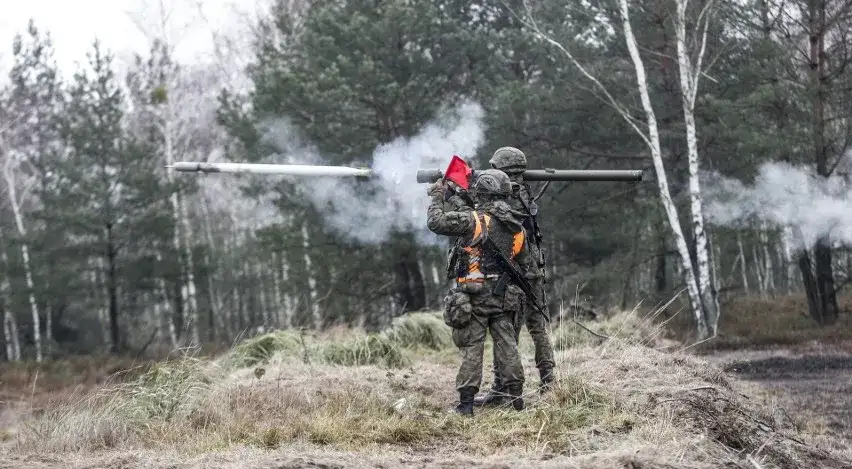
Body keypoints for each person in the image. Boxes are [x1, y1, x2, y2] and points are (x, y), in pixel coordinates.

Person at [426, 169, 531, 416]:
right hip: (505, 295)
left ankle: (466, 406)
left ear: (482, 192)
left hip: (475, 295)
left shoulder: (474, 220)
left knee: (472, 347)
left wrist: (438, 194)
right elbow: (523, 261)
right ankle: (515, 399)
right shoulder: (517, 225)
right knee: (508, 346)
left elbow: (436, 222)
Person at [474, 146, 556, 407]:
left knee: (506, 332)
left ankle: (503, 389)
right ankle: (549, 380)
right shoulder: (524, 195)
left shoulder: (503, 197)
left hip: (513, 273)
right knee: (538, 327)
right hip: (533, 269)